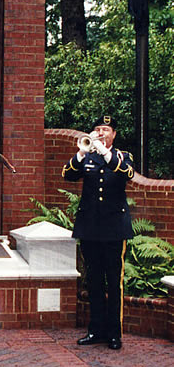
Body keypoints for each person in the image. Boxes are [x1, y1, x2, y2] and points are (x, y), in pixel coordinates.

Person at [62, 115, 134, 350]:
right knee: (93, 282)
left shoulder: (123, 156)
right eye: (97, 129)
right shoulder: (87, 156)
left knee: (114, 283)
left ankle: (114, 334)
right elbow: (68, 174)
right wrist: (81, 153)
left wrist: (104, 151)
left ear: (114, 134)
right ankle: (95, 331)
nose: (101, 132)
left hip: (114, 229)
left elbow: (125, 173)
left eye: (106, 129)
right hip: (90, 228)